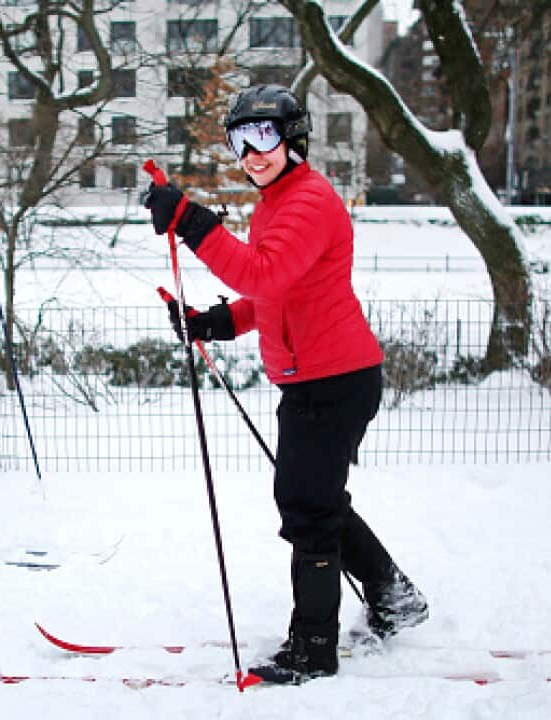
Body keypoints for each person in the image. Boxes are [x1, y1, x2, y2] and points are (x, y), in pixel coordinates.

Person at [144, 85, 429, 684]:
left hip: (336, 381)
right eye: (240, 140)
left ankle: (313, 648)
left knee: (308, 510)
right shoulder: (278, 200)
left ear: (294, 138)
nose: (252, 152)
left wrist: (192, 222)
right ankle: (394, 596)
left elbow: (264, 272)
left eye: (265, 136)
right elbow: (276, 290)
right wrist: (218, 321)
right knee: (315, 501)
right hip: (316, 381)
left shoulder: (308, 201)